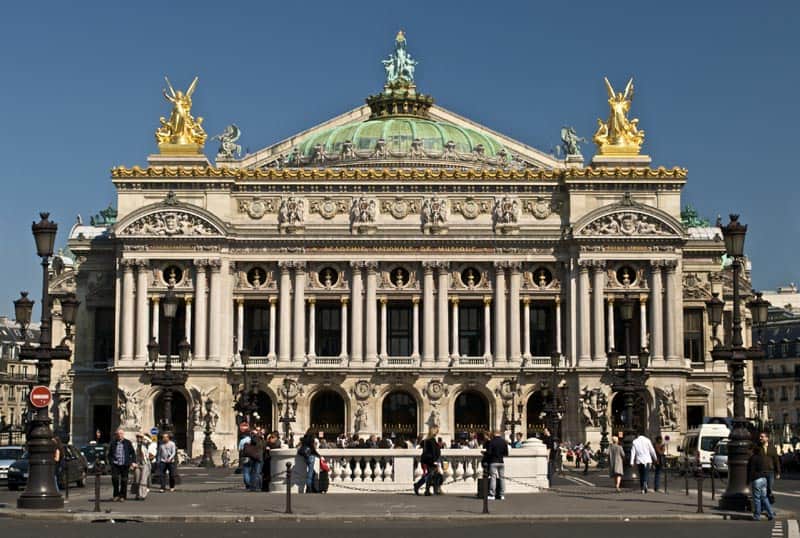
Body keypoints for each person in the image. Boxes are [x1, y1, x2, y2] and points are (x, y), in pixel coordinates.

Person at [748, 445, 776, 521]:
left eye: (750, 450)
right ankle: (770, 513)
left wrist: (749, 480)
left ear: (753, 451)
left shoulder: (753, 458)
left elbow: (751, 470)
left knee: (756, 498)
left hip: (756, 479)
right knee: (764, 497)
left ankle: (757, 515)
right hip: (764, 479)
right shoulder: (763, 458)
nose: (748, 452)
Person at [108, 428, 136, 501]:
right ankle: (116, 495)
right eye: (118, 434)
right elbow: (109, 454)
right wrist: (111, 462)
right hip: (115, 464)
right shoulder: (113, 443)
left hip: (125, 464)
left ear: (123, 435)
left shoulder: (127, 442)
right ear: (116, 435)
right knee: (115, 479)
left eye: (121, 434)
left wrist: (133, 462)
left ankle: (123, 496)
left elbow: (132, 453)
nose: (119, 435)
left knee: (124, 480)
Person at [413, 426, 441, 496]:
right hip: (430, 460)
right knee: (430, 475)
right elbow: (433, 452)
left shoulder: (427, 440)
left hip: (427, 459)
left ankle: (423, 488)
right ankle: (423, 488)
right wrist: (435, 461)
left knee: (429, 475)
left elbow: (422, 445)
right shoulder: (431, 440)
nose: (438, 432)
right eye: (437, 431)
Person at [756, 431, 781, 502]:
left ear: (767, 438)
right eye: (760, 436)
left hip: (770, 472)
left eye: (762, 436)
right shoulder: (757, 447)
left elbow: (776, 460)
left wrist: (778, 472)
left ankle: (768, 503)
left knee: (769, 489)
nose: (760, 438)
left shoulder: (772, 448)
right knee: (761, 490)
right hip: (760, 472)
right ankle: (765, 507)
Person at [485, 430, 509, 500]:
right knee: (502, 478)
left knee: (493, 478)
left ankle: (492, 494)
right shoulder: (504, 442)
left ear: (494, 434)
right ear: (499, 434)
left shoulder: (492, 442)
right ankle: (502, 495)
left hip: (493, 461)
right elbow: (506, 453)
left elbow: (489, 453)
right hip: (501, 462)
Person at [133, 432, 153, 500]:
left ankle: (142, 495)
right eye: (138, 437)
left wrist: (143, 436)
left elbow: (150, 441)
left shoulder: (145, 445)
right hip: (137, 464)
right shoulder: (134, 445)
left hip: (145, 464)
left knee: (143, 480)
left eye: (140, 438)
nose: (139, 439)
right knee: (137, 479)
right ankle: (137, 494)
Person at [299, 428, 320, 493]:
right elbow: (313, 448)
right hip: (311, 456)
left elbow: (300, 446)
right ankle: (309, 488)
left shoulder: (304, 438)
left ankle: (313, 487)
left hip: (305, 456)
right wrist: (318, 455)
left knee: (312, 472)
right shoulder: (312, 439)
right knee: (310, 473)